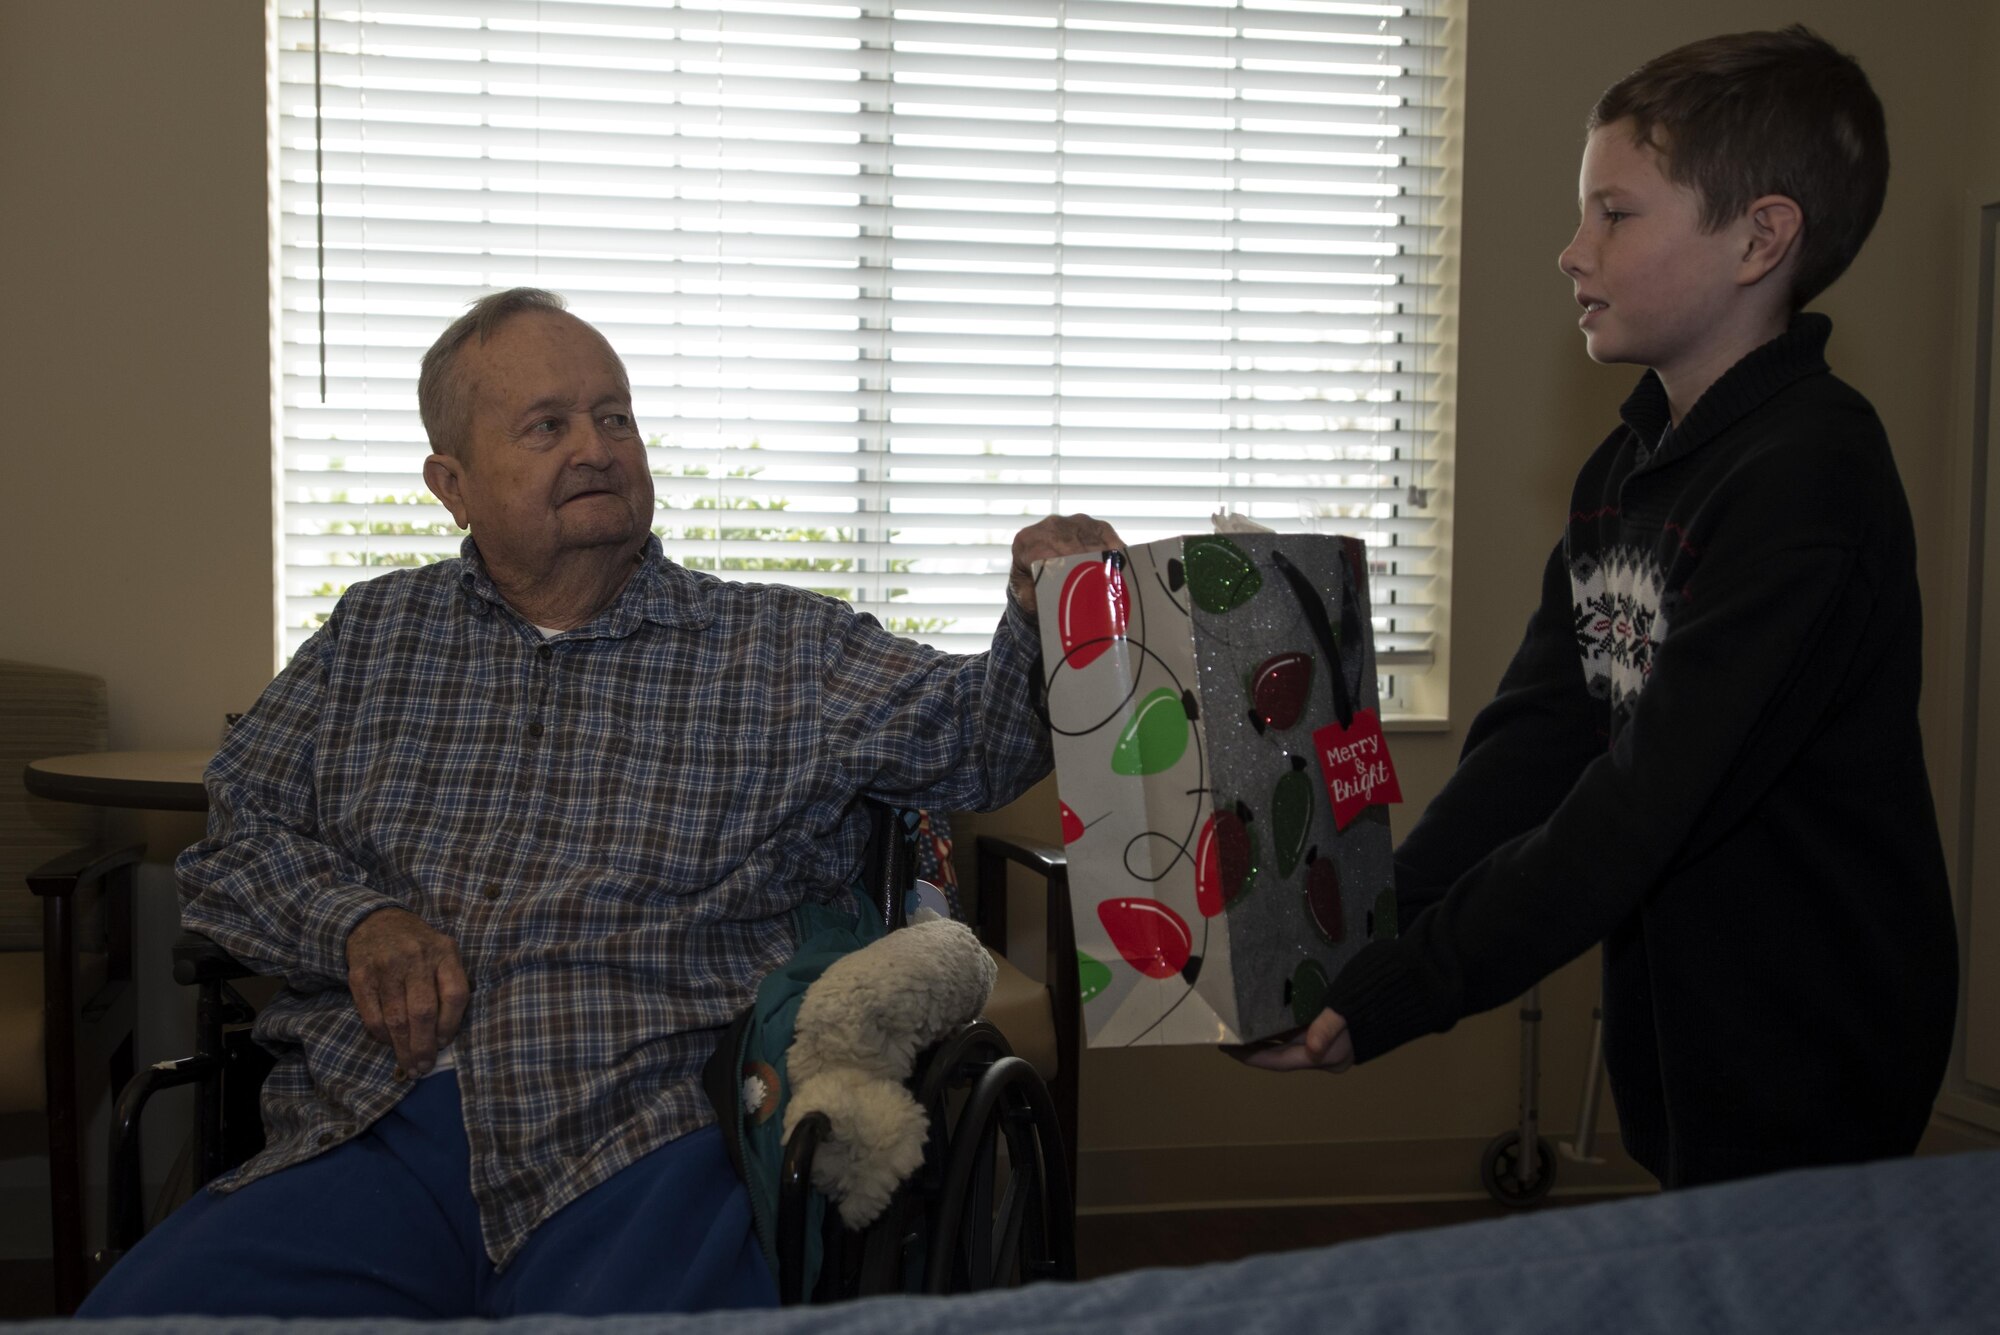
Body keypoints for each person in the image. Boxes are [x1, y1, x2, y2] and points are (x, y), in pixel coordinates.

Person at [82, 288, 1118, 1318]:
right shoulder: (369, 639)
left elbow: (979, 746)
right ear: (453, 483)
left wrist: (1037, 611)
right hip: (376, 1127)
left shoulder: (777, 650)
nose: (596, 447)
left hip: (646, 1140)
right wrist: (359, 921)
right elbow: (235, 842)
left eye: (613, 416)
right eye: (547, 425)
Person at [1244, 27, 1959, 1190]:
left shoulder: (1807, 478)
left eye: (1613, 215)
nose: (1571, 251)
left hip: (1814, 1045)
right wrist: (1365, 940)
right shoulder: (1625, 473)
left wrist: (1402, 989)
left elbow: (1638, 805)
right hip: (1680, 1034)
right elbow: (1533, 747)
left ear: (1758, 238)